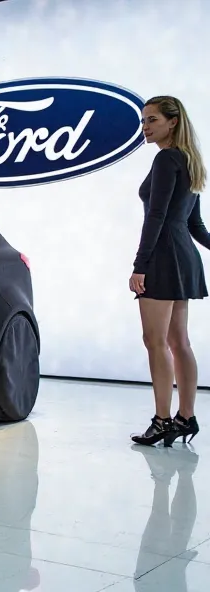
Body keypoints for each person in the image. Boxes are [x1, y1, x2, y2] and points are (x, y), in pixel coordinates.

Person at [129, 96, 208, 447]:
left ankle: (162, 421)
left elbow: (156, 216)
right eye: (144, 120)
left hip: (162, 257)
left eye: (152, 120)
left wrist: (139, 265)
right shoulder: (190, 160)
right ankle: (185, 417)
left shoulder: (165, 159)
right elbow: (196, 226)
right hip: (185, 256)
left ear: (172, 122)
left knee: (156, 342)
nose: (145, 127)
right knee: (179, 341)